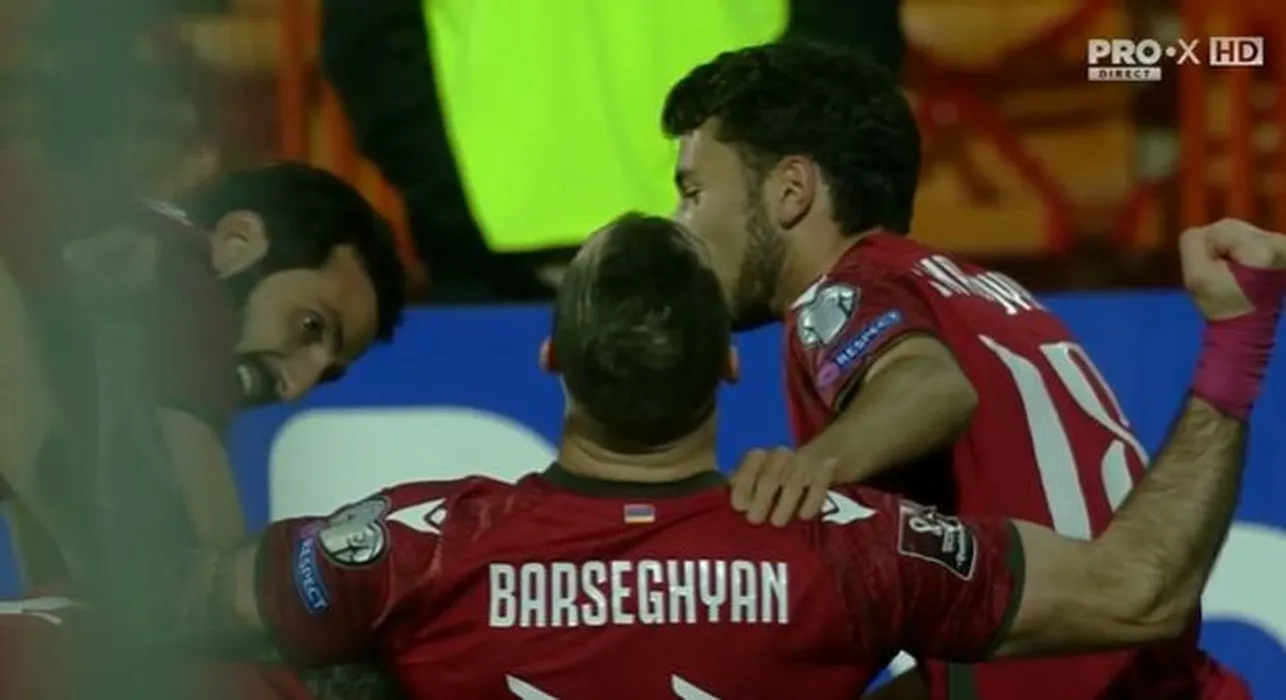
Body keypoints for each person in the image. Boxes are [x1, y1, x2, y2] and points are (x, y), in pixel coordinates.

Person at [13, 212, 1268, 699]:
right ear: (728, 368)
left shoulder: (409, 550)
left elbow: (146, 607)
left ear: (548, 359)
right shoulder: (846, 553)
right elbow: (1137, 591)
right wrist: (1231, 340)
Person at [661, 41, 1252, 699]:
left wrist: (810, 468)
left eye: (693, 192)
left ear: (791, 190)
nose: (680, 225)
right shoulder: (982, 292)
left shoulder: (833, 299)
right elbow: (994, 651)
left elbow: (929, 387)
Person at [0, 156, 407, 699]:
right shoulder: (191, 284)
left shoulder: (93, 289)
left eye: (327, 373)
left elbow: (51, 534)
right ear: (238, 243)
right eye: (310, 326)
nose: (296, 385)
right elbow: (211, 574)